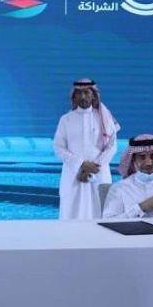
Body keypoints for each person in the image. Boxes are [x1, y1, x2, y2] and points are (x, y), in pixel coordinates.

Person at [53, 78, 121, 219]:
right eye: (79, 93)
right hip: (73, 174)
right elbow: (59, 147)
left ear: (93, 95)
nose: (83, 97)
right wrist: (81, 164)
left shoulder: (105, 118)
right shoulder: (66, 119)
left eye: (86, 93)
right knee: (72, 213)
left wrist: (95, 166)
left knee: (101, 212)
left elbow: (112, 145)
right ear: (74, 97)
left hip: (100, 173)